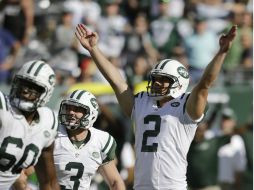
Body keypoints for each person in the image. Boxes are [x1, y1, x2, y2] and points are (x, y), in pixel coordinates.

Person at [75, 23, 237, 189]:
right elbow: (117, 82)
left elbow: (204, 84)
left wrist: (221, 52)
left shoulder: (185, 107)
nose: (157, 83)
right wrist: (93, 49)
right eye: (155, 78)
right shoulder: (142, 103)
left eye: (164, 79)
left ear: (179, 84)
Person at [0, 60, 60, 190]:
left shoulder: (48, 123)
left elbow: (48, 183)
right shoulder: (2, 107)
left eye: (34, 88)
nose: (25, 91)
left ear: (46, 94)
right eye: (24, 84)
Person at [54, 89, 126, 190]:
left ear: (91, 113)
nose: (70, 112)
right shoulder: (52, 134)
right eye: (68, 107)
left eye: (77, 109)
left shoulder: (101, 140)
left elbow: (115, 181)